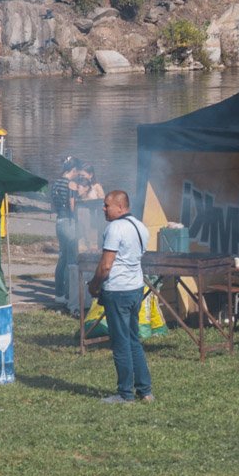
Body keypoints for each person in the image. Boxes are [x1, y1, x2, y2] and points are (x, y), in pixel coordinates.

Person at [87, 190, 153, 403]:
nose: (103, 209)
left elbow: (106, 265)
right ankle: (145, 391)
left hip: (118, 290)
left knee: (121, 342)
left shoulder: (115, 228)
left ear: (120, 207)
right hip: (135, 288)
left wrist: (94, 284)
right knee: (133, 339)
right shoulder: (140, 226)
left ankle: (125, 394)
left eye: (107, 205)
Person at [52, 156, 80, 304]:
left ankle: (58, 293)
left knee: (62, 258)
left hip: (59, 221)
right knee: (71, 259)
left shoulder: (56, 183)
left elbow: (53, 205)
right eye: (77, 171)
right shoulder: (71, 184)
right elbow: (72, 205)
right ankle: (70, 294)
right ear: (73, 170)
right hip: (69, 222)